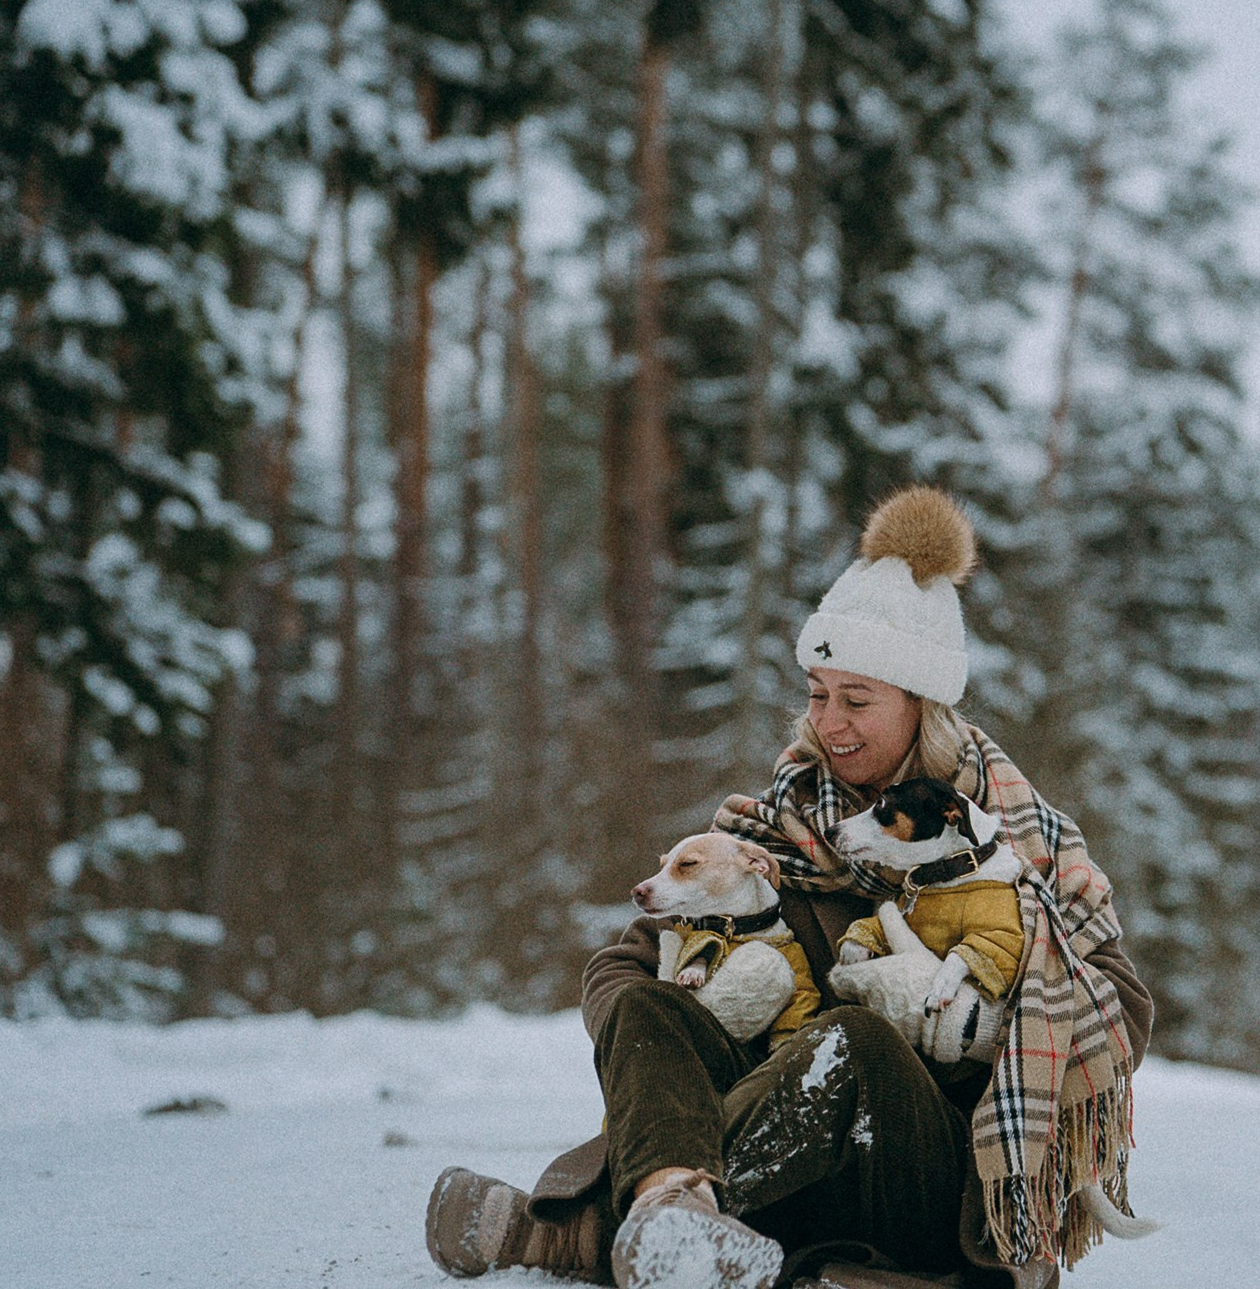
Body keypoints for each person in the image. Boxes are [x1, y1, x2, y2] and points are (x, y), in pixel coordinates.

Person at [425, 487, 1153, 1289]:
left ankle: (572, 1232)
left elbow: (1122, 1009)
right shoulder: (771, 834)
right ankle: (674, 1205)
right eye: (817, 693)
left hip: (931, 1177)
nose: (830, 722)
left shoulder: (1016, 844)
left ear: (921, 706)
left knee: (855, 1040)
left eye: (857, 700)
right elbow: (619, 974)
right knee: (649, 1004)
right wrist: (711, 998)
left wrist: (980, 1021)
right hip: (794, 1159)